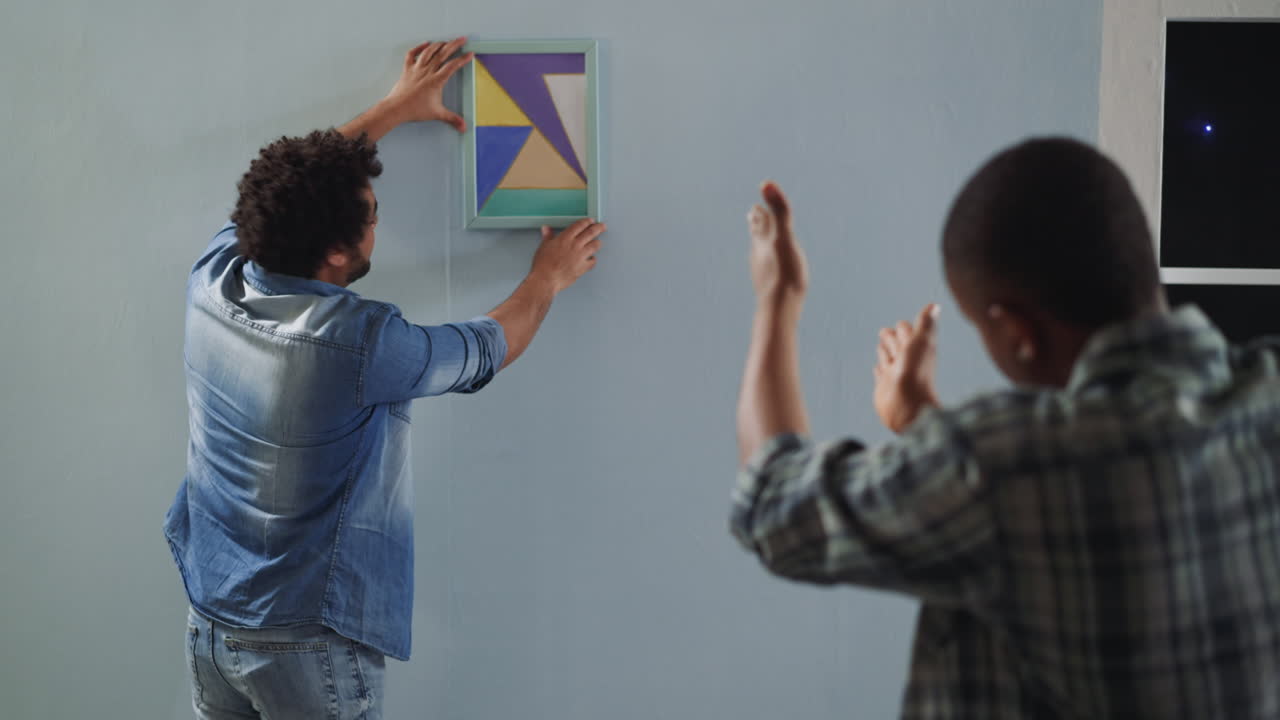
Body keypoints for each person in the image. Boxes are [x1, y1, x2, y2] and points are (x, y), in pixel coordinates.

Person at [732, 138, 1280, 718]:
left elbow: (772, 503)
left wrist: (778, 297)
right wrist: (922, 419)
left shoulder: (996, 464)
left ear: (1017, 330)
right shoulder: (1265, 395)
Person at [164, 38, 606, 719]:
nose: (379, 220)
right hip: (304, 647)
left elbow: (290, 187)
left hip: (211, 625)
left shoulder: (215, 274)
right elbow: (483, 349)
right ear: (339, 252)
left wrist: (395, 108)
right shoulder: (358, 343)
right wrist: (546, 278)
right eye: (371, 217)